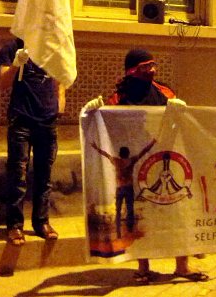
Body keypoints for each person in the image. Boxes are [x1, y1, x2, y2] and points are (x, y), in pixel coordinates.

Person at [83, 48, 208, 284]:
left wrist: (182, 110)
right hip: (136, 164)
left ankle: (182, 266)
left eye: (153, 65)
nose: (151, 70)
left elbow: (180, 123)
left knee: (177, 211)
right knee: (140, 217)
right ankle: (143, 267)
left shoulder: (164, 92)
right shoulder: (118, 98)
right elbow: (107, 129)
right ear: (132, 71)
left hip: (165, 158)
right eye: (145, 67)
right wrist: (92, 115)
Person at [0, 38, 65, 245]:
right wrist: (16, 64)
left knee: (45, 173)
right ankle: (15, 225)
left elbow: (60, 79)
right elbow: (3, 83)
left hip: (47, 119)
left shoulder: (52, 46)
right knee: (18, 173)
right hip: (21, 118)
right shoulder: (12, 48)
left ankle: (41, 221)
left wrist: (60, 103)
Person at [91, 139, 157, 238]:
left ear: (120, 154)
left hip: (120, 188)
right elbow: (144, 151)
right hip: (128, 187)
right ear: (128, 153)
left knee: (118, 210)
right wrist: (152, 143)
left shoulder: (116, 161)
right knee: (130, 209)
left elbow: (105, 154)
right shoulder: (131, 160)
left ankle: (118, 230)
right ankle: (130, 229)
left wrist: (96, 148)